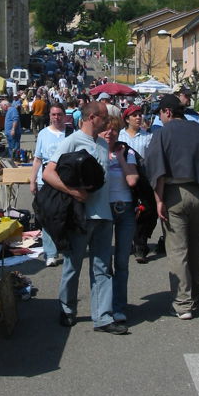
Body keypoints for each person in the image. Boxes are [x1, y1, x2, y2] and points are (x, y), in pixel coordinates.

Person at [43, 101, 128, 334]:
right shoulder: (71, 141)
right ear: (92, 118)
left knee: (102, 266)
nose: (106, 120)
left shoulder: (102, 144)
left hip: (104, 215)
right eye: (103, 116)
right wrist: (72, 192)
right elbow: (48, 172)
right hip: (81, 216)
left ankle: (102, 317)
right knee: (73, 264)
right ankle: (67, 308)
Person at [144, 94, 199, 320]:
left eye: (160, 112)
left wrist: (158, 199)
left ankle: (183, 303)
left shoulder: (163, 133)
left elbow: (156, 168)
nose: (160, 117)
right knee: (197, 246)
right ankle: (196, 290)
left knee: (178, 250)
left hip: (173, 194)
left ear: (168, 112)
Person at [99, 116, 139, 323]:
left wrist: (121, 157)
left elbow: (132, 180)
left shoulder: (128, 151)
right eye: (105, 129)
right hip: (103, 211)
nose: (109, 133)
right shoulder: (94, 151)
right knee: (104, 263)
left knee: (122, 261)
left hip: (125, 209)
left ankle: (119, 307)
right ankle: (104, 307)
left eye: (114, 130)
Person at [30, 103, 67, 267]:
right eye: (53, 114)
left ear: (64, 116)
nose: (56, 117)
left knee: (66, 216)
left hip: (66, 180)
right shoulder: (44, 134)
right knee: (47, 217)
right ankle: (50, 253)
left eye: (59, 114)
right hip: (45, 179)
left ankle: (66, 249)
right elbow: (37, 159)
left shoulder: (71, 133)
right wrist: (32, 180)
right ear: (49, 116)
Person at [118, 104, 153, 262]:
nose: (139, 117)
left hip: (143, 180)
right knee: (129, 212)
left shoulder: (148, 136)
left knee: (146, 212)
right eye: (135, 115)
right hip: (124, 179)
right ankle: (133, 242)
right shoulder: (119, 136)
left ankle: (141, 244)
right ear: (127, 119)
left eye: (140, 115)